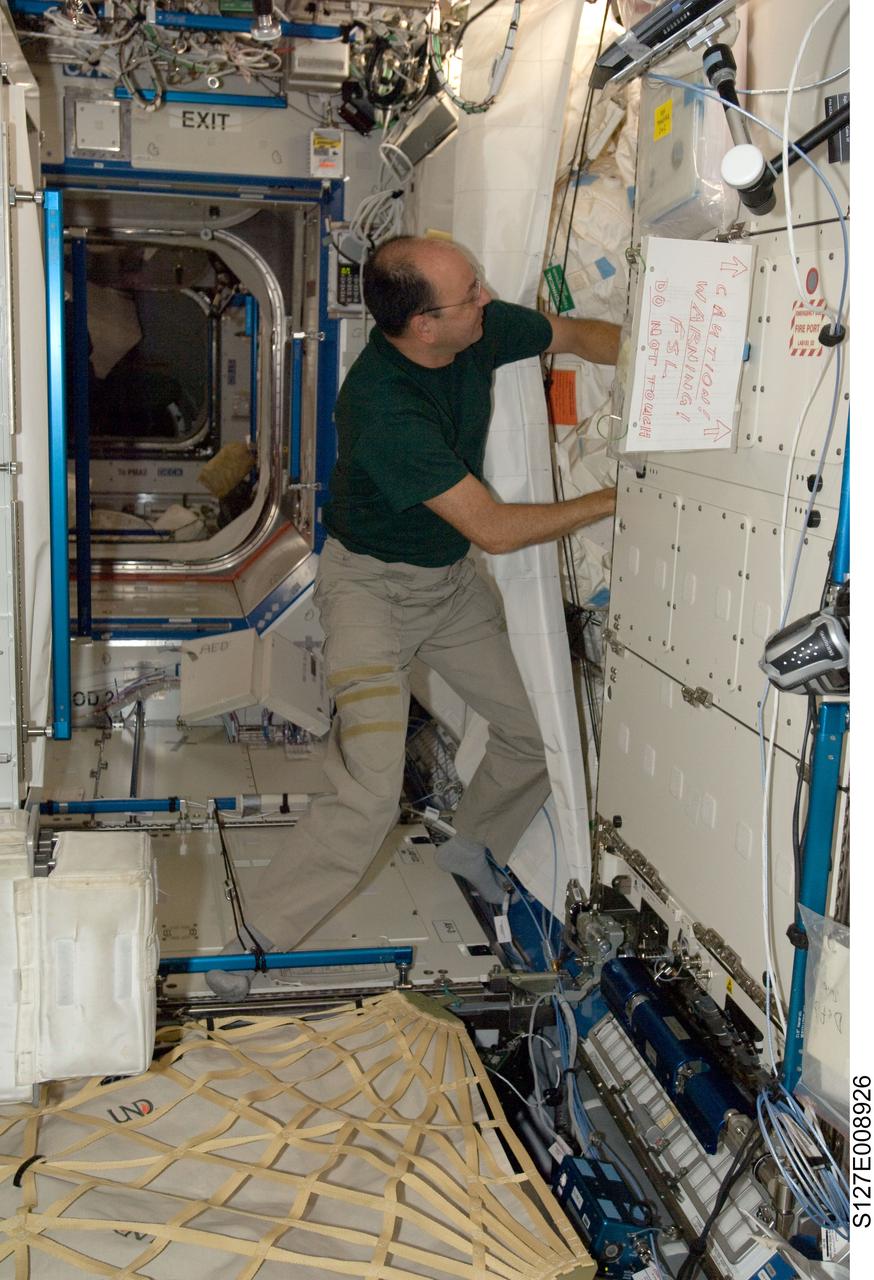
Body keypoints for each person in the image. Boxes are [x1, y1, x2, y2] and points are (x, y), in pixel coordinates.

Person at [207, 235, 619, 999]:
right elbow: (492, 527)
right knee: (366, 797)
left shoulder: (478, 328)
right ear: (425, 325)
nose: (487, 299)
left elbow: (579, 336)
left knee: (532, 736)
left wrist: (660, 374)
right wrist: (616, 497)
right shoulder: (380, 406)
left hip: (447, 585)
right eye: (471, 294)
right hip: (370, 595)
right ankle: (250, 948)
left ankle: (474, 854)